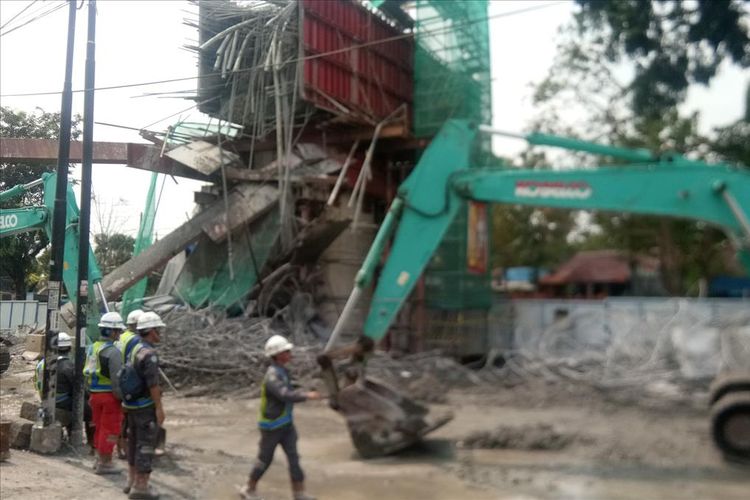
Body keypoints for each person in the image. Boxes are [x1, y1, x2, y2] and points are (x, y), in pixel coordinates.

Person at [240, 335, 321, 500]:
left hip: (286, 425)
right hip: (271, 426)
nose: (290, 353)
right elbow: (284, 394)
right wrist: (306, 395)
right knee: (265, 460)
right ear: (277, 355)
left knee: (294, 459)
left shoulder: (283, 371)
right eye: (286, 351)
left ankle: (299, 493)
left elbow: (288, 391)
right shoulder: (272, 376)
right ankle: (248, 489)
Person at [123, 311, 166, 500]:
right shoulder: (149, 354)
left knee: (132, 443)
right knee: (145, 445)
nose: (160, 334)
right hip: (144, 407)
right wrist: (159, 408)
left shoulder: (134, 348)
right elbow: (153, 385)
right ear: (151, 331)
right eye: (158, 330)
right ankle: (141, 487)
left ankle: (131, 481)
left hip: (130, 405)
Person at [84, 311, 124, 474]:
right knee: (111, 429)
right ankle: (105, 462)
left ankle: (98, 459)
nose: (120, 334)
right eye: (118, 331)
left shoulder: (93, 348)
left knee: (99, 427)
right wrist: (122, 398)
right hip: (110, 397)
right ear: (112, 331)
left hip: (94, 395)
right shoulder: (113, 352)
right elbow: (117, 380)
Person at [117, 309, 143, 459]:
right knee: (130, 417)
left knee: (121, 418)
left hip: (118, 378)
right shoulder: (135, 340)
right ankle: (127, 448)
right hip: (129, 382)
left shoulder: (121, 336)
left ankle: (119, 447)